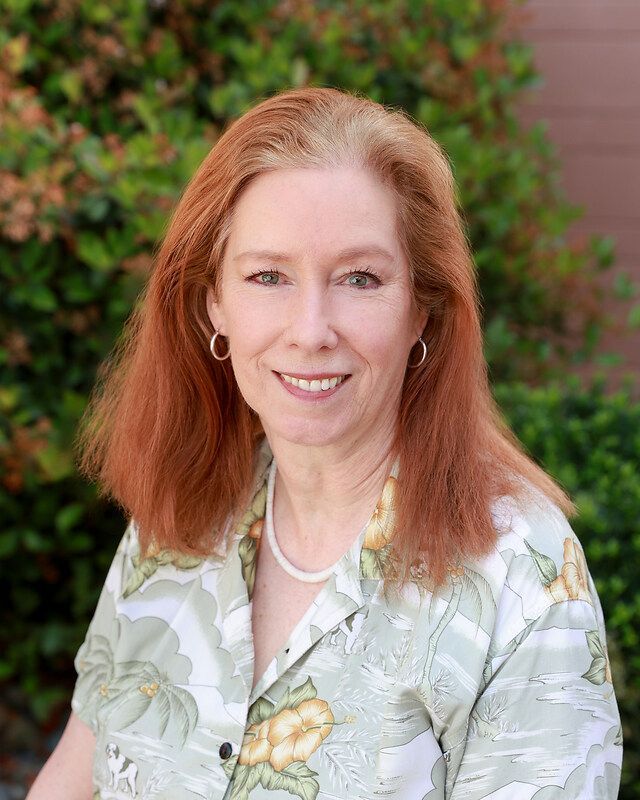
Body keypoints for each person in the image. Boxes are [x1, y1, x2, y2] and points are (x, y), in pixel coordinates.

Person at [27, 87, 622, 800]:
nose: (311, 330)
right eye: (268, 276)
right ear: (214, 300)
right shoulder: (178, 516)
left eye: (359, 278)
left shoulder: (522, 578)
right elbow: (72, 778)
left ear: (421, 310)